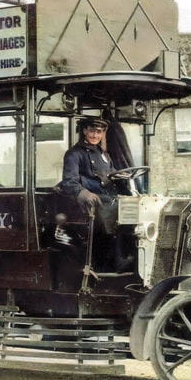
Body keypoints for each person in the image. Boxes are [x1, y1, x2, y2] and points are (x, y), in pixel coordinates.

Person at [59, 117, 134, 273]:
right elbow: (69, 182)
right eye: (92, 131)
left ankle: (131, 254)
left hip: (108, 195)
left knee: (133, 206)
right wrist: (84, 194)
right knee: (113, 206)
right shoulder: (74, 154)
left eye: (99, 132)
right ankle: (115, 262)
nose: (95, 135)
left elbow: (112, 176)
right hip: (87, 201)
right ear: (85, 131)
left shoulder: (104, 154)